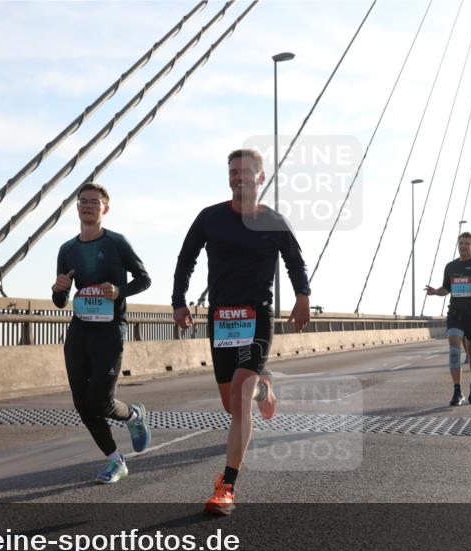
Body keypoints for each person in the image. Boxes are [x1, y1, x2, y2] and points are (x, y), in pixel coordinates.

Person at [173, 148, 311, 516]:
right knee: (231, 405)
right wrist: (179, 301)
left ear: (260, 177)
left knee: (239, 396)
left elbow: (295, 261)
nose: (239, 177)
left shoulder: (273, 222)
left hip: (257, 317)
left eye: (246, 171)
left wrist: (302, 296)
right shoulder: (210, 218)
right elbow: (186, 259)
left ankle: (227, 487)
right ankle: (264, 385)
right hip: (221, 319)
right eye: (233, 172)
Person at [52, 182, 153, 484]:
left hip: (109, 331)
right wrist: (58, 289)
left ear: (105, 209)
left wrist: (119, 291)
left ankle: (133, 416)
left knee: (99, 402)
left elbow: (144, 279)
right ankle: (115, 460)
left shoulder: (116, 242)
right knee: (82, 403)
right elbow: (60, 300)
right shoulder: (67, 250)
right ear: (77, 207)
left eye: (94, 202)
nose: (88, 206)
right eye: (83, 201)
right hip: (79, 331)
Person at [424, 231, 471, 406]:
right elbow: (446, 289)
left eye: (467, 243)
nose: (463, 246)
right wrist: (435, 292)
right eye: (461, 243)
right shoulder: (450, 267)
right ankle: (457, 392)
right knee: (454, 351)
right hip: (455, 314)